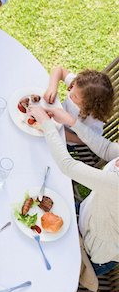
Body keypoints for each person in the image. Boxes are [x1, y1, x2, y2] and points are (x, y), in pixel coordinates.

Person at [28, 106, 119, 276]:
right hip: (85, 213)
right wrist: (71, 121)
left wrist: (46, 124)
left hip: (89, 247)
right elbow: (106, 148)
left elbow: (68, 166)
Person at [44, 67, 114, 146]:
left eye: (75, 96)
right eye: (72, 86)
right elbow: (59, 70)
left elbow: (91, 140)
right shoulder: (81, 86)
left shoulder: (94, 122)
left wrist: (64, 135)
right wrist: (52, 87)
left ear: (88, 105)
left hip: (64, 140)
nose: (70, 93)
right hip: (52, 119)